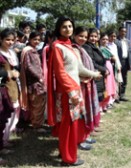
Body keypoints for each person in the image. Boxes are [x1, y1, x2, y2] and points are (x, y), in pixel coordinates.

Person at [47, 17, 100, 166]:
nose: (68, 29)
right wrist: (72, 93)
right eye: (64, 27)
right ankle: (68, 158)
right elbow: (61, 73)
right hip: (67, 93)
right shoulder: (57, 47)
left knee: (72, 124)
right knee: (68, 125)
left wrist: (94, 74)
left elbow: (77, 69)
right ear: (58, 29)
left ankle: (65, 152)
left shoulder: (69, 45)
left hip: (74, 89)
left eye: (70, 26)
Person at [72, 26, 101, 150]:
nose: (83, 39)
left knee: (86, 111)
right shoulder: (74, 48)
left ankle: (84, 136)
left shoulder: (80, 48)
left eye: (85, 37)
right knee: (81, 113)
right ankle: (79, 139)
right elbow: (79, 69)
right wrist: (94, 74)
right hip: (79, 85)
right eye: (80, 36)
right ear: (74, 36)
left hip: (86, 84)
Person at [20, 32, 46, 132]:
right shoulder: (29, 51)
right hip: (35, 83)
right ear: (30, 39)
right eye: (34, 39)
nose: (37, 41)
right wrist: (40, 77)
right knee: (37, 105)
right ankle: (37, 125)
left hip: (34, 82)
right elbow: (29, 67)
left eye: (39, 40)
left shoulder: (31, 50)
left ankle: (35, 123)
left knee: (36, 104)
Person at [0, 28, 20, 162]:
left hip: (10, 89)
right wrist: (7, 74)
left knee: (3, 119)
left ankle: (2, 144)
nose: (10, 42)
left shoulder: (11, 53)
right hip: (2, 89)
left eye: (12, 40)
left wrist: (15, 73)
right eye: (7, 39)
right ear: (1, 39)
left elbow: (15, 69)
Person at [82, 28, 107, 114]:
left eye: (95, 36)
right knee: (93, 97)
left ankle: (96, 115)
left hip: (99, 74)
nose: (93, 38)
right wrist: (104, 70)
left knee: (97, 96)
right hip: (94, 74)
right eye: (91, 36)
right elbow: (92, 63)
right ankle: (93, 117)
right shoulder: (87, 47)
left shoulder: (94, 46)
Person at [99, 33, 119, 113]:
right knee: (105, 87)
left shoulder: (107, 48)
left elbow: (113, 57)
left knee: (110, 86)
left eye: (106, 39)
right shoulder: (99, 49)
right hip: (104, 68)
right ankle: (101, 106)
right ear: (100, 40)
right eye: (103, 39)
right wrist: (110, 57)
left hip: (110, 67)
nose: (105, 41)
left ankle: (106, 105)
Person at [115, 27, 131, 102]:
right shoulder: (116, 41)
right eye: (122, 31)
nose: (123, 33)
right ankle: (116, 95)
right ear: (119, 32)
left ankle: (122, 94)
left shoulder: (128, 41)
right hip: (118, 61)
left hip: (125, 61)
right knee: (117, 78)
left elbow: (130, 53)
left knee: (124, 79)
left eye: (125, 31)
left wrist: (130, 63)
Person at [107, 31, 122, 105]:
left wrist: (119, 65)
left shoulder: (115, 45)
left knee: (117, 81)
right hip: (110, 64)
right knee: (110, 82)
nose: (113, 38)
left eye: (114, 36)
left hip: (116, 64)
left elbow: (116, 56)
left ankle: (116, 97)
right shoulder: (106, 45)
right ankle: (110, 98)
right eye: (111, 36)